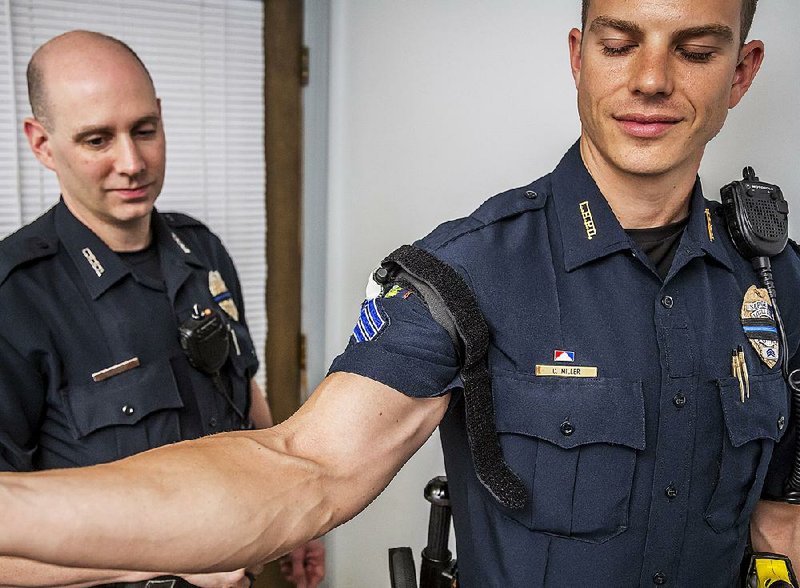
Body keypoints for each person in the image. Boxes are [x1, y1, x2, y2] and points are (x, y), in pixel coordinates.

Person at [0, 1, 796, 585]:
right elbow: (300, 465)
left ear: (742, 71)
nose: (652, 79)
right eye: (621, 44)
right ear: (579, 55)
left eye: (694, 49)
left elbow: (776, 512)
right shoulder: (469, 270)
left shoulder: (778, 278)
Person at [0, 31, 324, 588]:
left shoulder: (202, 252)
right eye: (97, 140)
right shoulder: (15, 296)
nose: (132, 162)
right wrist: (176, 556)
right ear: (42, 144)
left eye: (145, 130)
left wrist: (293, 518)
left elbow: (244, 393)